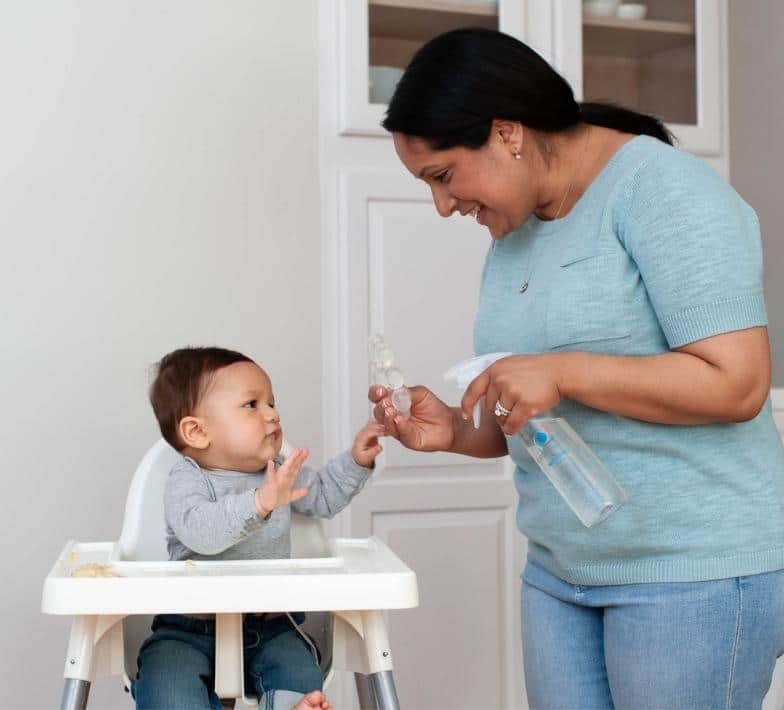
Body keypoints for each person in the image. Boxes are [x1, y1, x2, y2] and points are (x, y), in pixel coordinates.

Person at [370, 27, 784, 709]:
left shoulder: (665, 192)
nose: (443, 206)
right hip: (562, 576)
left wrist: (562, 370)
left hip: (690, 574)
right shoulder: (518, 225)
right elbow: (534, 413)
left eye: (444, 176)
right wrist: (454, 429)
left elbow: (736, 382)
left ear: (508, 132)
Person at [134, 346, 385, 710]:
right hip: (188, 627)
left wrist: (357, 460)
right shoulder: (188, 478)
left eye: (272, 402)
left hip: (270, 624)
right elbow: (199, 532)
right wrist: (259, 503)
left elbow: (323, 496)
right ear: (197, 431)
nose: (272, 414)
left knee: (299, 674)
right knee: (165, 681)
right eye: (252, 405)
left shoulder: (278, 471)